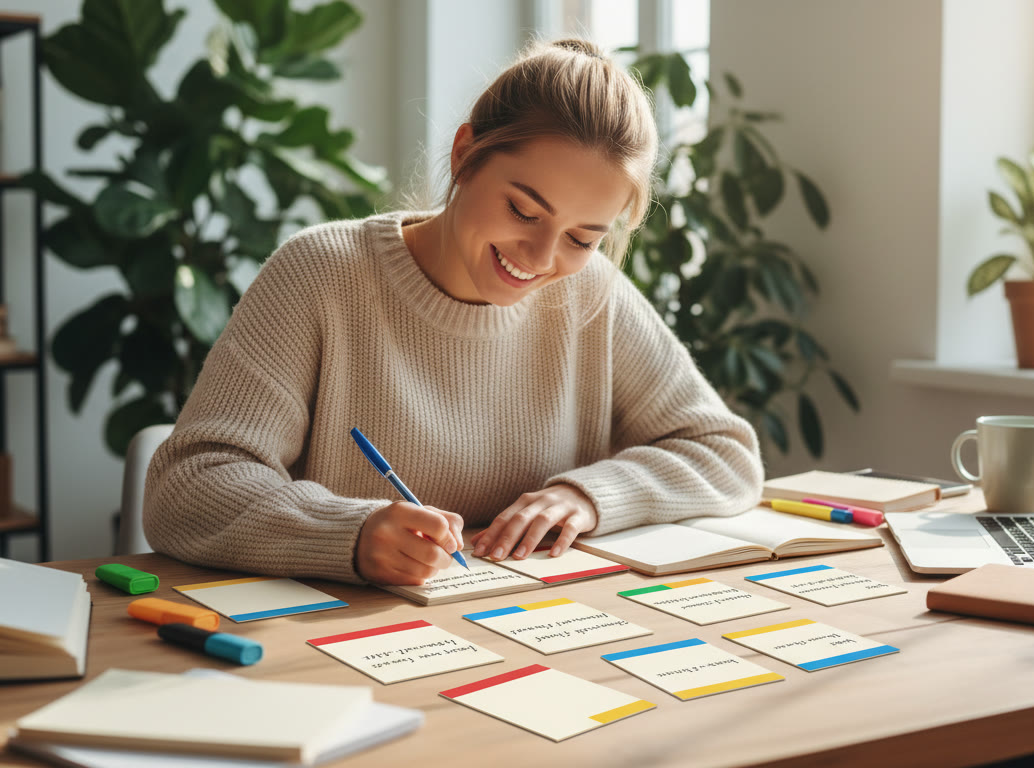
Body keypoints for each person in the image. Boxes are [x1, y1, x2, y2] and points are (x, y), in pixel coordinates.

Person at [144, 38, 763, 587]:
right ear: (464, 155)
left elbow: (725, 452)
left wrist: (590, 496)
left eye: (582, 237)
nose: (543, 258)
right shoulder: (322, 274)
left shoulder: (591, 294)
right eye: (524, 211)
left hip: (522, 634)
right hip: (339, 649)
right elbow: (188, 487)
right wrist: (349, 534)